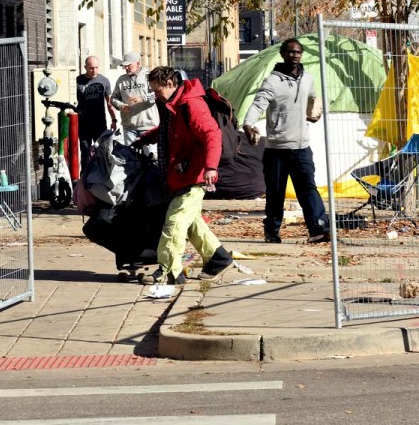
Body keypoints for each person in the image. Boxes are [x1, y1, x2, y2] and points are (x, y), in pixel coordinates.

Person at [132, 66, 234, 285]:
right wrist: (145, 138)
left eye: (157, 91)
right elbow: (169, 130)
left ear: (170, 84)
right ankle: (218, 259)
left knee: (175, 221)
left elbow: (211, 134)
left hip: (195, 176)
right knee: (191, 222)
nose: (155, 95)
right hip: (182, 173)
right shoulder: (173, 104)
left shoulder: (191, 104)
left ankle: (168, 271)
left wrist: (210, 167)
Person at [242, 37, 330, 244]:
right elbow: (258, 104)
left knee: (308, 188)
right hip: (277, 149)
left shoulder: (307, 78)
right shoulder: (272, 81)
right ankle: (272, 231)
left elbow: (312, 99)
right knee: (275, 193)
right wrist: (247, 124)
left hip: (302, 148)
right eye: (291, 52)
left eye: (298, 52)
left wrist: (313, 113)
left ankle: (319, 229)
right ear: (282, 54)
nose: (295, 55)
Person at [111, 52, 159, 158]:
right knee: (131, 160)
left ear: (137, 63)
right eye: (125, 65)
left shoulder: (149, 76)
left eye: (129, 65)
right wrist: (121, 106)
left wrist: (142, 98)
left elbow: (158, 94)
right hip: (129, 127)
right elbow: (113, 98)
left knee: (151, 158)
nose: (126, 68)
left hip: (148, 126)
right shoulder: (121, 80)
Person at [77, 55, 116, 174]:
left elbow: (109, 103)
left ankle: (103, 176)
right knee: (85, 152)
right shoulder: (78, 80)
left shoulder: (104, 81)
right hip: (83, 123)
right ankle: (84, 179)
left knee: (102, 151)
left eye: (96, 67)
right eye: (91, 68)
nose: (94, 70)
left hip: (99, 122)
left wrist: (114, 120)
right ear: (85, 67)